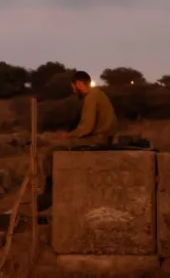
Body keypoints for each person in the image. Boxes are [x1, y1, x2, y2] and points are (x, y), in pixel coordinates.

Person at [37, 71, 118, 210]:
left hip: (97, 140)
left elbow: (86, 127)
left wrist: (69, 136)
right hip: (102, 137)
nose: (74, 91)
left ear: (79, 84)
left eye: (73, 87)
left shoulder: (91, 98)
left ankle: (49, 192)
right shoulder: (98, 94)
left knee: (49, 152)